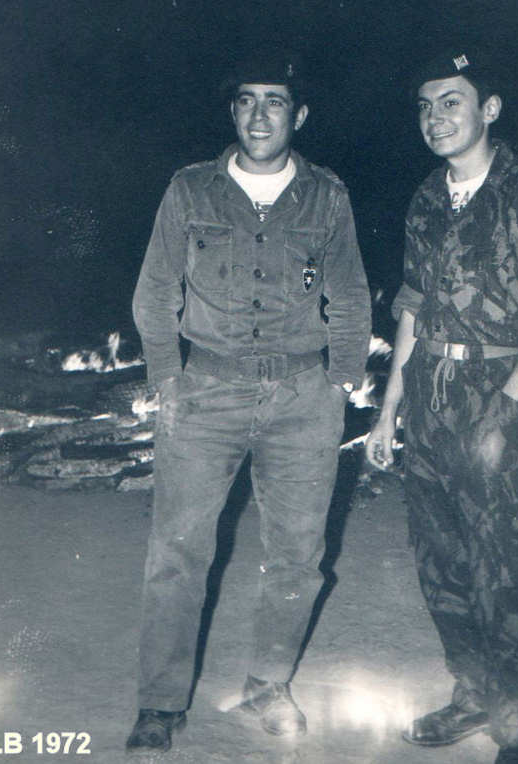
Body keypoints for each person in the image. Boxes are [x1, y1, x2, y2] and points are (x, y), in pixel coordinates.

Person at [127, 50, 372, 752]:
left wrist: (341, 379)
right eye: (245, 100)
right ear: (232, 111)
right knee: (177, 554)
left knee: (297, 555)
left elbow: (350, 292)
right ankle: (161, 702)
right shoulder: (190, 190)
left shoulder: (326, 195)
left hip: (303, 398)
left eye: (275, 101)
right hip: (204, 393)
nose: (259, 115)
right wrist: (167, 378)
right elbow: (155, 290)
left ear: (299, 114)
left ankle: (269, 684)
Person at [366, 49, 518, 764]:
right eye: (425, 106)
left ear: (488, 109)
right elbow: (411, 308)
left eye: (451, 102)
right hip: (429, 399)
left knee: (508, 578)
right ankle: (472, 696)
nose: (434, 118)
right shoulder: (427, 198)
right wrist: (388, 409)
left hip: (500, 395)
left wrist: (508, 406)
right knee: (444, 570)